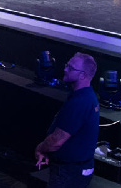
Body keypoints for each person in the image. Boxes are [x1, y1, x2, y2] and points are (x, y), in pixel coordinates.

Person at [35, 53, 100, 188]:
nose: (65, 69)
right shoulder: (85, 96)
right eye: (67, 65)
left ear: (82, 75)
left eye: (71, 68)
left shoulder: (80, 102)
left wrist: (41, 148)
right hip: (74, 171)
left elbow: (56, 142)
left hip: (69, 173)